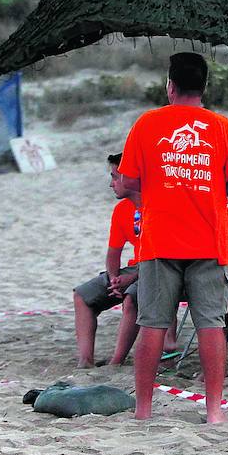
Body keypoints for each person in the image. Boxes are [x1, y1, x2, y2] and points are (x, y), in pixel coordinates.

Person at [119, 52, 228, 423]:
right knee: (211, 324)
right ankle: (213, 411)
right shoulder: (223, 127)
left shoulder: (147, 124)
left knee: (152, 324)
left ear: (170, 86)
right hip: (209, 241)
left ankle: (143, 409)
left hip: (160, 240)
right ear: (205, 87)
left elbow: (128, 180)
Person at [73, 153, 142, 368]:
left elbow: (165, 258)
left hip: (158, 267)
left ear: (130, 178)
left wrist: (131, 279)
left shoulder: (158, 207)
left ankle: (116, 362)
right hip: (136, 268)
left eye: (115, 177)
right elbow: (113, 252)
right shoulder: (122, 210)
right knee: (82, 296)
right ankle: (85, 361)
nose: (111, 184)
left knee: (132, 297)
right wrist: (113, 278)